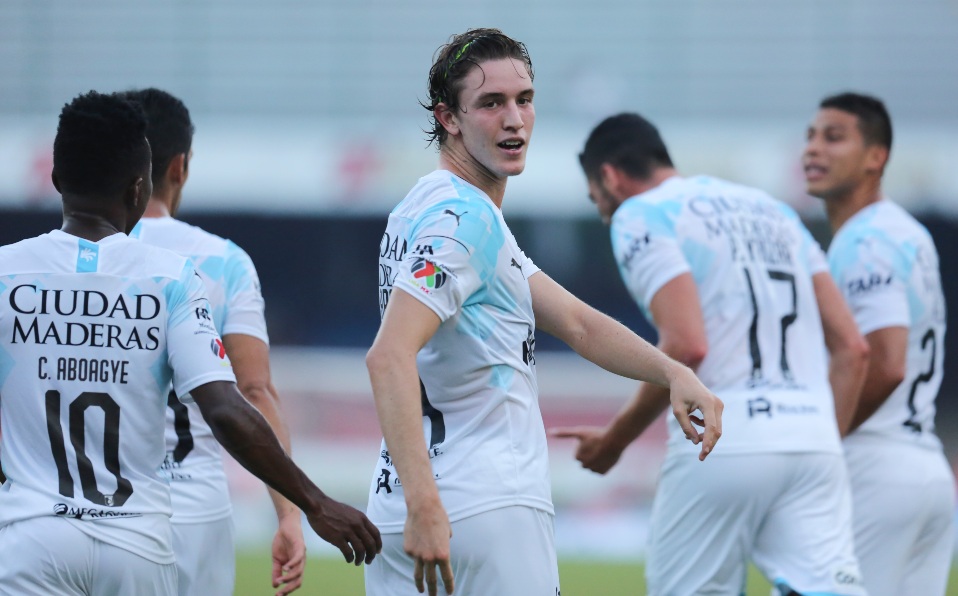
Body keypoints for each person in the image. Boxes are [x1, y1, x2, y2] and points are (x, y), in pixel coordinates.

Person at [364, 29, 723, 596]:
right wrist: (425, 503)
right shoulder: (468, 221)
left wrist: (673, 372)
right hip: (481, 505)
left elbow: (577, 323)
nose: (515, 119)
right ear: (448, 117)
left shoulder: (426, 211)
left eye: (524, 99)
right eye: (491, 103)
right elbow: (388, 357)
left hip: (404, 509)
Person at [0, 90, 381, 595]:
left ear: (55, 179)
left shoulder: (7, 273)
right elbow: (233, 403)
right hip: (142, 535)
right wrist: (312, 503)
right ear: (141, 185)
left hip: (30, 534)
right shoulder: (175, 277)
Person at [555, 112, 870, 595]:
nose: (600, 206)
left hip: (723, 438)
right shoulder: (774, 211)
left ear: (610, 177)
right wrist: (819, 436)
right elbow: (852, 347)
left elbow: (686, 345)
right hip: (813, 438)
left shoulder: (640, 213)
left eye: (594, 194)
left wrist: (615, 440)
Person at [118, 87, 304, 596]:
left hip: (91, 506)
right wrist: (288, 513)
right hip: (192, 510)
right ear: (180, 166)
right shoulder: (223, 261)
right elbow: (255, 391)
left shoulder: (71, 259)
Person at [804, 92, 955, 596]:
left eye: (833, 137)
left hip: (876, 466)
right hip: (925, 464)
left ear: (877, 156)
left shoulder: (868, 241)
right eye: (810, 137)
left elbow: (886, 362)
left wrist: (819, 445)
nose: (813, 150)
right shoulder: (904, 231)